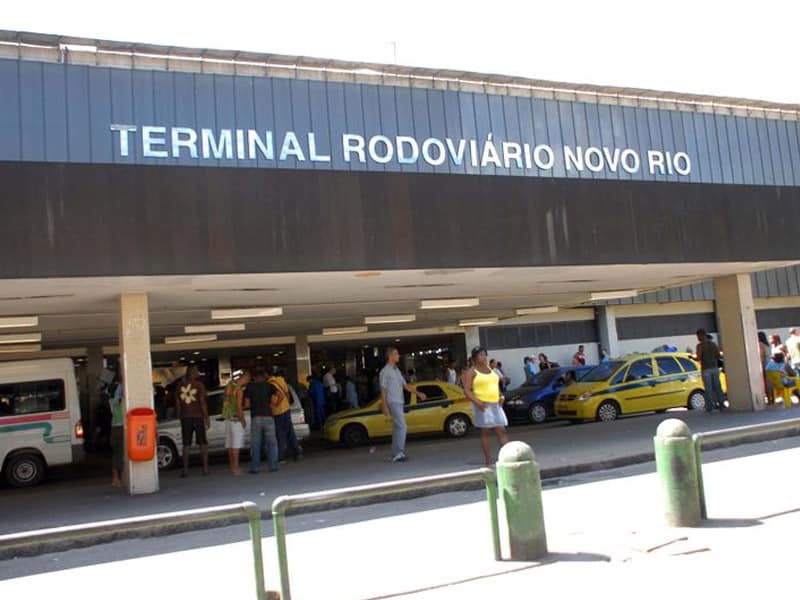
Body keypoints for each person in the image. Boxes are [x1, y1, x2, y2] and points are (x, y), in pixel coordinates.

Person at [463, 347, 509, 467]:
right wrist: (477, 402)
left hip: (496, 403)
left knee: (501, 430)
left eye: (484, 355)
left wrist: (501, 396)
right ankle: (488, 462)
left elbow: (495, 384)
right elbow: (467, 391)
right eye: (480, 355)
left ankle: (507, 458)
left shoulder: (490, 368)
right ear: (474, 358)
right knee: (485, 432)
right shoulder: (471, 372)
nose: (483, 357)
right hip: (483, 405)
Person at [380, 346, 426, 462]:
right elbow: (383, 389)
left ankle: (395, 453)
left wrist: (418, 393)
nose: (398, 355)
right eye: (396, 354)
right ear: (390, 356)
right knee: (402, 426)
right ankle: (399, 452)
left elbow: (405, 386)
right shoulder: (385, 371)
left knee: (397, 427)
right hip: (393, 401)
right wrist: (384, 405)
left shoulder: (396, 370)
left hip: (398, 401)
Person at [175, 366, 209, 477]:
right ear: (194, 373)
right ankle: (205, 469)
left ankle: (185, 470)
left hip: (185, 417)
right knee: (203, 443)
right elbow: (203, 402)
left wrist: (180, 416)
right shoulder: (199, 385)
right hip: (198, 416)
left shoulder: (180, 386)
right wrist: (206, 417)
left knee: (186, 444)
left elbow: (178, 404)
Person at [245, 368, 280, 473]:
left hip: (256, 417)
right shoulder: (269, 386)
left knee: (256, 443)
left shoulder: (250, 387)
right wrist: (274, 406)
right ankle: (273, 466)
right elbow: (281, 395)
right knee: (272, 443)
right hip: (268, 416)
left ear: (254, 378)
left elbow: (246, 404)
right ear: (263, 377)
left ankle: (255, 468)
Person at [269, 369, 303, 462]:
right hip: (286, 409)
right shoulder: (281, 380)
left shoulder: (270, 384)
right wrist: (286, 404)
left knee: (280, 434)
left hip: (278, 411)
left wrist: (275, 405)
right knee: (290, 432)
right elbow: (286, 394)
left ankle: (281, 456)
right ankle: (297, 452)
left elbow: (279, 396)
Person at [222, 369, 251, 475]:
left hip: (228, 418)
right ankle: (236, 468)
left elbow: (225, 399)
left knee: (230, 444)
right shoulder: (239, 390)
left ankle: (232, 466)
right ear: (244, 378)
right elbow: (239, 407)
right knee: (236, 444)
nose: (247, 382)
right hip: (235, 419)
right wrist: (242, 420)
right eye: (247, 380)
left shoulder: (229, 385)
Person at [696, 329, 725, 412]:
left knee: (708, 389)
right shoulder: (713, 344)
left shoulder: (700, 346)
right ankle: (722, 405)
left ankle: (710, 407)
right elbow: (718, 356)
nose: (697, 338)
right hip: (715, 368)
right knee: (717, 387)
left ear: (701, 335)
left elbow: (698, 357)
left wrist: (695, 357)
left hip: (706, 369)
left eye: (698, 336)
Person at [109, 376, 124, 487]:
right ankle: (117, 478)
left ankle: (116, 478)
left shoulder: (111, 399)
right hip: (120, 427)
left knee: (116, 453)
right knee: (120, 453)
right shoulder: (118, 398)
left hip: (114, 426)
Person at [758, 331, 772, 404]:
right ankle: (772, 398)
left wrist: (760, 365)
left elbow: (761, 356)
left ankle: (769, 398)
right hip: (770, 364)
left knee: (765, 383)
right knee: (769, 382)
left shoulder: (760, 344)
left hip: (765, 365)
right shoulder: (767, 345)